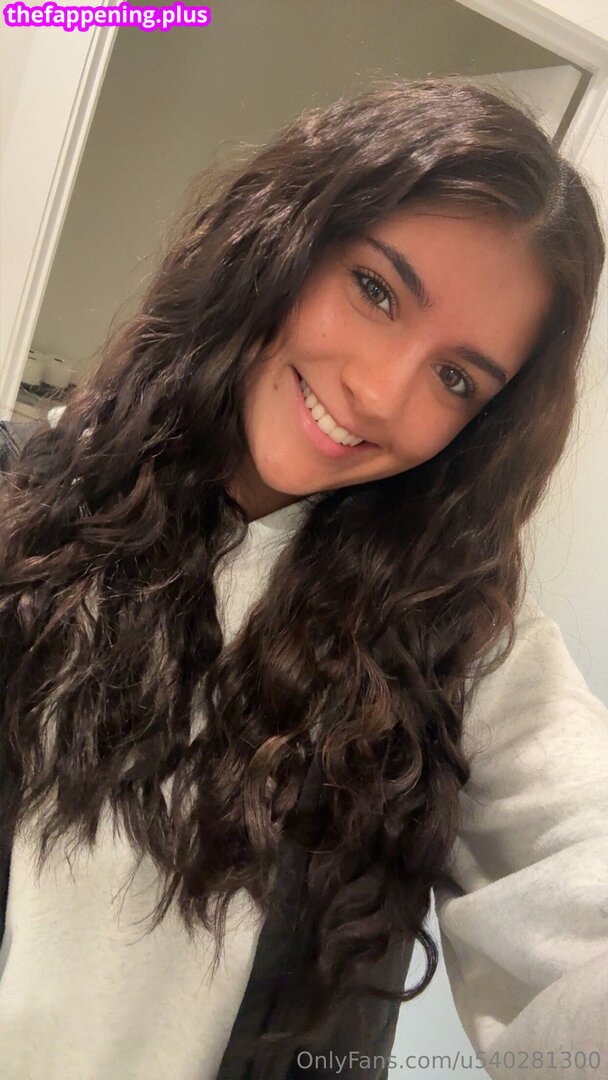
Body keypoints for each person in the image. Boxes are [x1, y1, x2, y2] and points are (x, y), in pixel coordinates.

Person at [0, 77, 607, 1080]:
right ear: (283, 239)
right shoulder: (22, 502)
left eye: (455, 378)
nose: (377, 392)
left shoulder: (457, 644)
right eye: (375, 290)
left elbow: (583, 862)